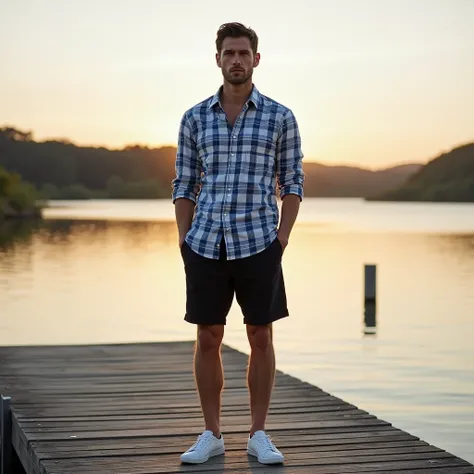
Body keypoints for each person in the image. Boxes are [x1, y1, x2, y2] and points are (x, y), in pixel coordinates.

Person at [172, 22, 304, 465]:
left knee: (260, 336)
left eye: (244, 53)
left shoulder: (280, 117)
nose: (236, 61)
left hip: (259, 242)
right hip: (206, 242)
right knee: (207, 337)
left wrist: (281, 239)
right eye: (229, 53)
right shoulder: (194, 118)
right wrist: (184, 239)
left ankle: (258, 434)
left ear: (256, 59)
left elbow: (293, 182)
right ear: (217, 59)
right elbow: (185, 184)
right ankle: (211, 433)